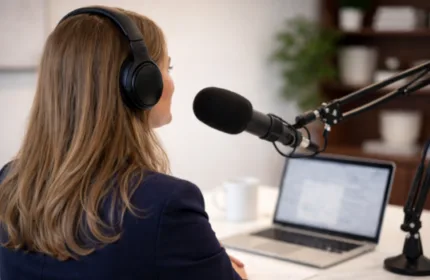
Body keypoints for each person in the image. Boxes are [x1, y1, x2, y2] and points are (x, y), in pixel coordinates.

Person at [0, 5, 247, 280]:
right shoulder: (165, 204)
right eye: (168, 67)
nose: (173, 82)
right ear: (142, 83)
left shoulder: (11, 182)